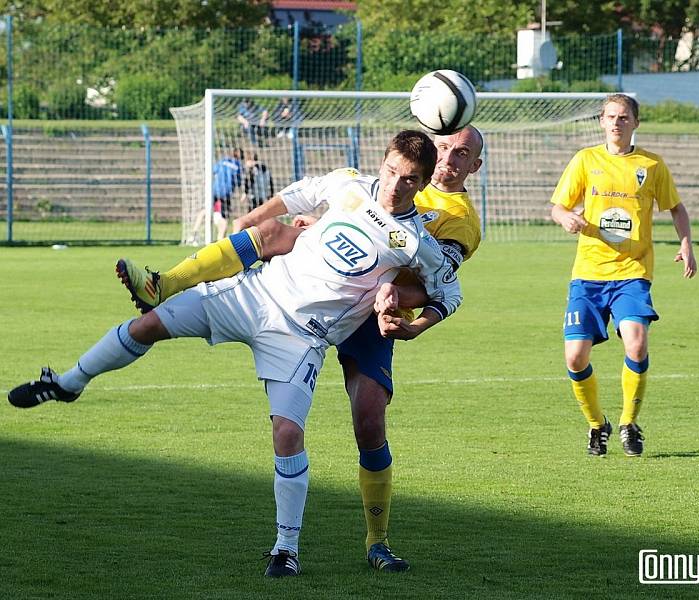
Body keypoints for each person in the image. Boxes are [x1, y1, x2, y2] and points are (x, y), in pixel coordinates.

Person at [8, 130, 462, 579]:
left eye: (408, 179)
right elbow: (300, 192)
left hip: (302, 335)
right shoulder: (347, 184)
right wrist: (261, 219)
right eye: (391, 171)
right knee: (149, 324)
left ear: (421, 184)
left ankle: (286, 549)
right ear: (381, 163)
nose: (394, 184)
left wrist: (416, 322)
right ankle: (67, 383)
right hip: (253, 293)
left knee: (287, 434)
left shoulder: (416, 241)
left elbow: (449, 290)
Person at [550, 94, 697, 458]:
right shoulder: (585, 160)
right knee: (575, 358)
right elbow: (558, 206)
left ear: (636, 122)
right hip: (588, 274)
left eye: (624, 117)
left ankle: (630, 422)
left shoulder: (651, 165)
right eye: (610, 116)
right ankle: (598, 424)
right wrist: (565, 217)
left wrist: (686, 244)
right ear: (601, 121)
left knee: (636, 342)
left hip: (633, 272)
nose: (616, 122)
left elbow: (676, 208)